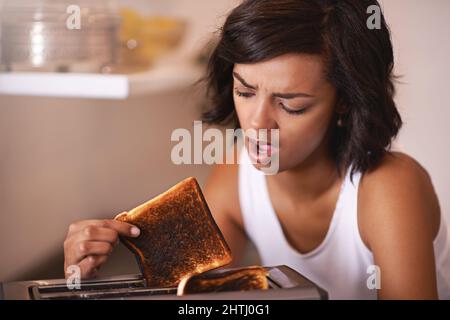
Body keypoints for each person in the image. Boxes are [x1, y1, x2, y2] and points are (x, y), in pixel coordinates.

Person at [63, 0, 450, 299]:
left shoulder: (389, 187)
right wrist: (92, 270)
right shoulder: (239, 174)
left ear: (346, 102)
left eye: (291, 105)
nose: (257, 124)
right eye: (245, 92)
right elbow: (189, 292)